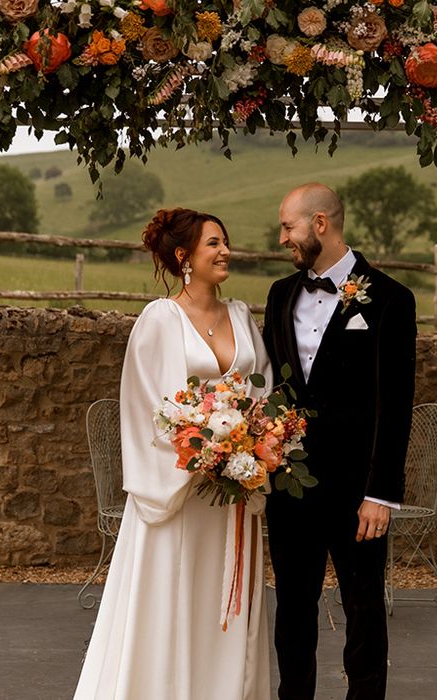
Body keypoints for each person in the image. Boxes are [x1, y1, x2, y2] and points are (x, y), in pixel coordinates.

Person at [73, 208, 272, 700]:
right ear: (184, 256)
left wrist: (256, 445)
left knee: (222, 605)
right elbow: (148, 408)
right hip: (181, 494)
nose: (225, 250)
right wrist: (204, 453)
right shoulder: (160, 320)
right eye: (213, 243)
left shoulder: (243, 316)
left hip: (233, 497)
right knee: (175, 602)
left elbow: (262, 393)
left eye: (226, 241)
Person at [263, 183, 417, 700]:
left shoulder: (391, 299)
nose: (283, 237)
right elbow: (276, 390)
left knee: (364, 611)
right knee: (293, 613)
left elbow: (395, 405)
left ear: (320, 224)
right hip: (291, 487)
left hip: (357, 494)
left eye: (289, 226)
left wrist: (382, 493)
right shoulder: (280, 295)